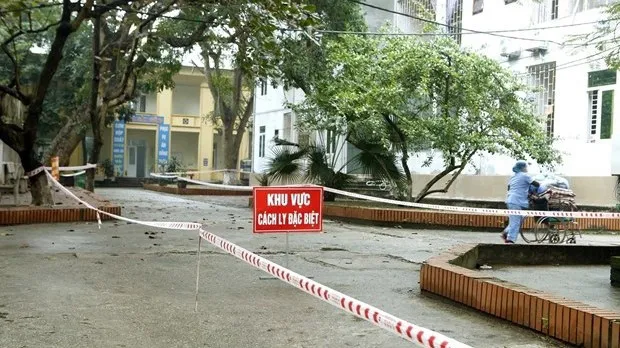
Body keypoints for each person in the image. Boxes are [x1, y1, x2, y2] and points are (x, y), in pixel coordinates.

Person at [501, 160, 540, 244]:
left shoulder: (513, 177)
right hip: (516, 201)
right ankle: (510, 239)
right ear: (523, 168)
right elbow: (537, 184)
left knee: (520, 217)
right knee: (515, 221)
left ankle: (506, 232)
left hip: (511, 200)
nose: (527, 168)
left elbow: (509, 188)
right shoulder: (525, 176)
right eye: (526, 166)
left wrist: (523, 189)